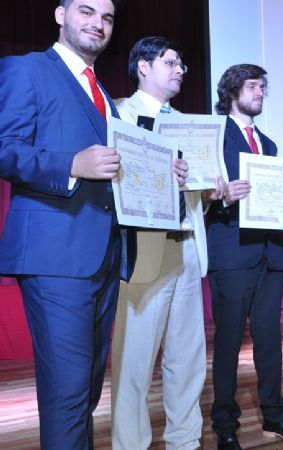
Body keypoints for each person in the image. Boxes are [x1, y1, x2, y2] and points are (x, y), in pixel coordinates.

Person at [0, 1, 139, 447]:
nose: (98, 23)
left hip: (104, 256)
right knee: (67, 394)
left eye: (108, 18)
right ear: (60, 16)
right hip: (55, 256)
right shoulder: (27, 69)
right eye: (86, 11)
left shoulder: (101, 92)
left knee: (84, 393)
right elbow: (5, 147)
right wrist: (71, 164)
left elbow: (114, 170)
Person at [110, 36, 223, 450]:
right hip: (144, 251)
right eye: (171, 62)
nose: (180, 70)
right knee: (134, 362)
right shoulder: (117, 113)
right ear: (143, 66)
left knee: (187, 358)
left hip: (189, 246)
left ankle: (185, 441)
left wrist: (210, 192)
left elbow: (193, 195)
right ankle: (130, 444)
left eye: (182, 65)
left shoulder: (188, 124)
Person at [206, 64, 283, 449]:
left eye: (263, 87)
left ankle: (275, 416)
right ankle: (225, 425)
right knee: (229, 343)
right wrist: (220, 198)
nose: (260, 92)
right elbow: (202, 191)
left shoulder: (268, 144)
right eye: (253, 86)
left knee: (270, 340)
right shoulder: (214, 134)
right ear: (233, 90)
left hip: (268, 253)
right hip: (231, 250)